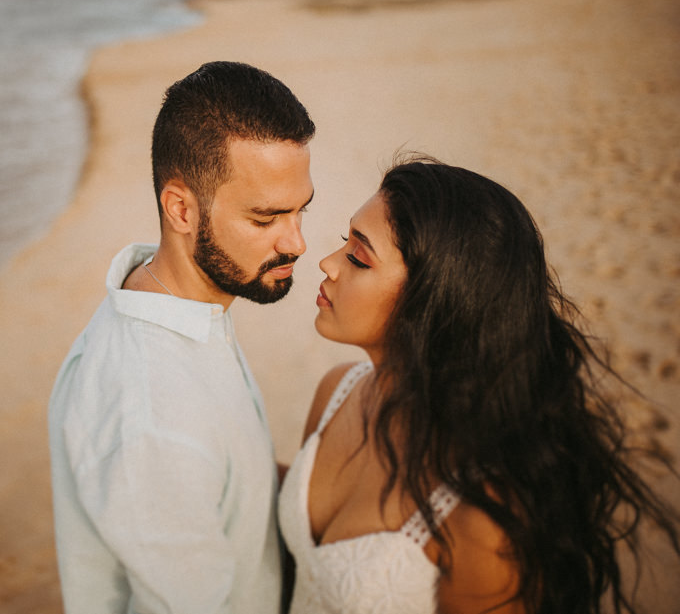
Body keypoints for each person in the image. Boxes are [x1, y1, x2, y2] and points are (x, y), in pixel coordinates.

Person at [278, 156, 680, 614]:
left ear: (435, 297)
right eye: (343, 243)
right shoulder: (336, 392)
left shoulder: (481, 511)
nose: (327, 264)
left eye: (358, 257)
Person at [48, 61, 316, 613]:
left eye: (300, 210)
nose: (296, 243)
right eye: (265, 219)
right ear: (181, 210)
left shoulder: (184, 304)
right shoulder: (153, 415)